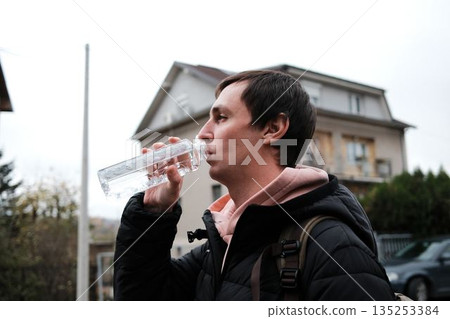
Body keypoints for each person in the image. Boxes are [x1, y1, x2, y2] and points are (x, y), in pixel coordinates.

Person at [113, 70, 396, 301]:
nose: (203, 133)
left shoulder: (333, 248)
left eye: (221, 117)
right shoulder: (222, 245)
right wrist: (152, 213)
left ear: (273, 129)